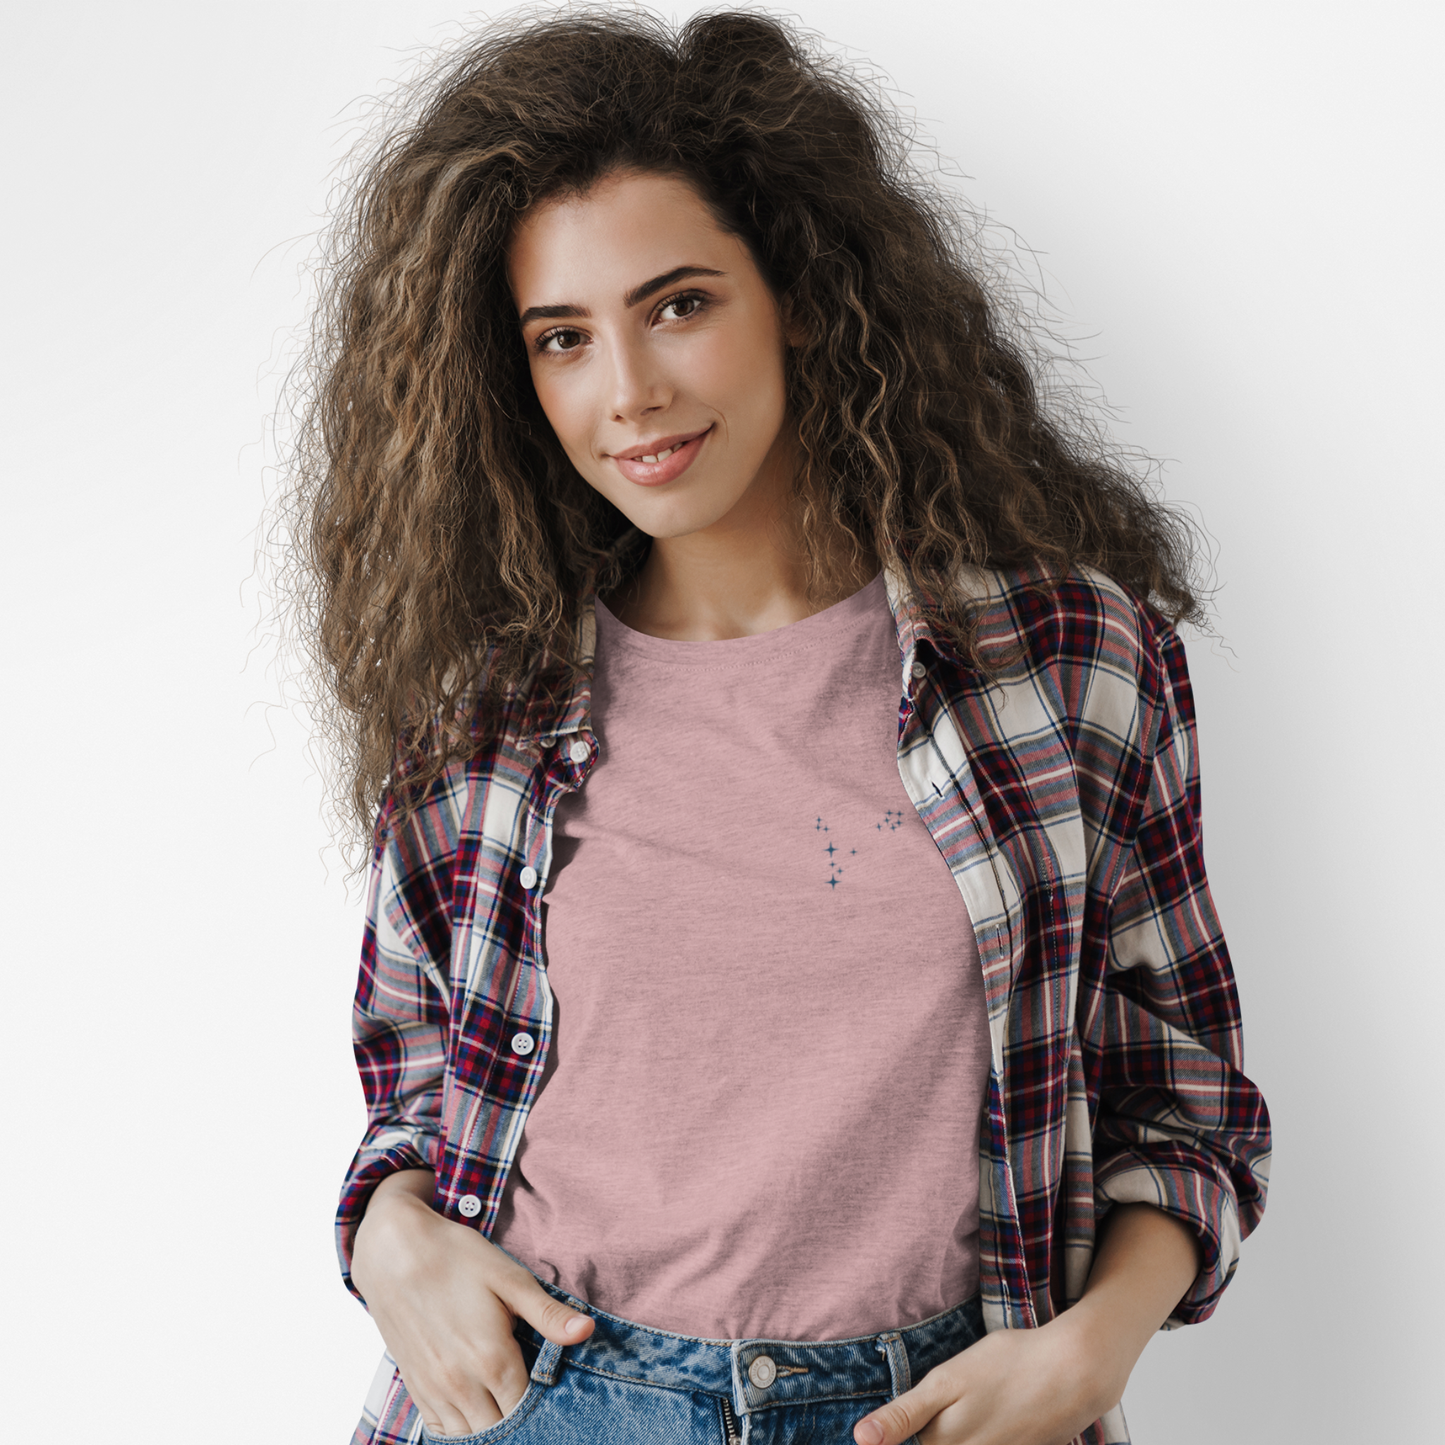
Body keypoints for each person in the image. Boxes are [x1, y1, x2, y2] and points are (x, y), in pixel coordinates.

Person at [283, 10, 1271, 1444]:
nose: (629, 392)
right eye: (564, 338)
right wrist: (384, 1237)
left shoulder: (1068, 665)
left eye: (678, 304)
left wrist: (1091, 1351)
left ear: (798, 292)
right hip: (554, 1402)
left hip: (942, 1404)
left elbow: (1185, 1104)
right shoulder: (479, 715)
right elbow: (417, 1081)